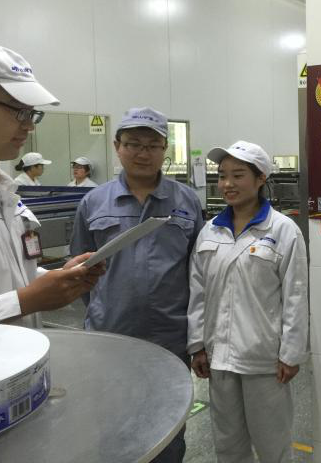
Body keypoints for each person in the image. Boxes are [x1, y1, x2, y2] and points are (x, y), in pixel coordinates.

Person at [70, 106, 203, 463]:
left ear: (164, 150)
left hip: (171, 337)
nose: (143, 153)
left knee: (168, 427)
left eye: (153, 145)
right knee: (113, 422)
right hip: (111, 336)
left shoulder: (187, 201)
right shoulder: (93, 202)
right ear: (117, 146)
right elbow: (79, 272)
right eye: (133, 144)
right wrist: (105, 308)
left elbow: (199, 272)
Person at [0, 43, 103, 328]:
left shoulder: (1, 192)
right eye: (18, 111)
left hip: (24, 354)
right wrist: (26, 300)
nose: (29, 126)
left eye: (32, 114)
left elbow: (8, 280)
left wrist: (53, 280)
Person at [187, 140, 308, 463]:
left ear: (260, 179)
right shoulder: (210, 231)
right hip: (219, 357)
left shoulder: (283, 231)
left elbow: (296, 295)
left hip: (263, 360)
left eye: (238, 175)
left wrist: (291, 354)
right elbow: (198, 292)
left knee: (272, 446)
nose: (227, 183)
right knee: (228, 445)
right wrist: (197, 345)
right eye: (222, 175)